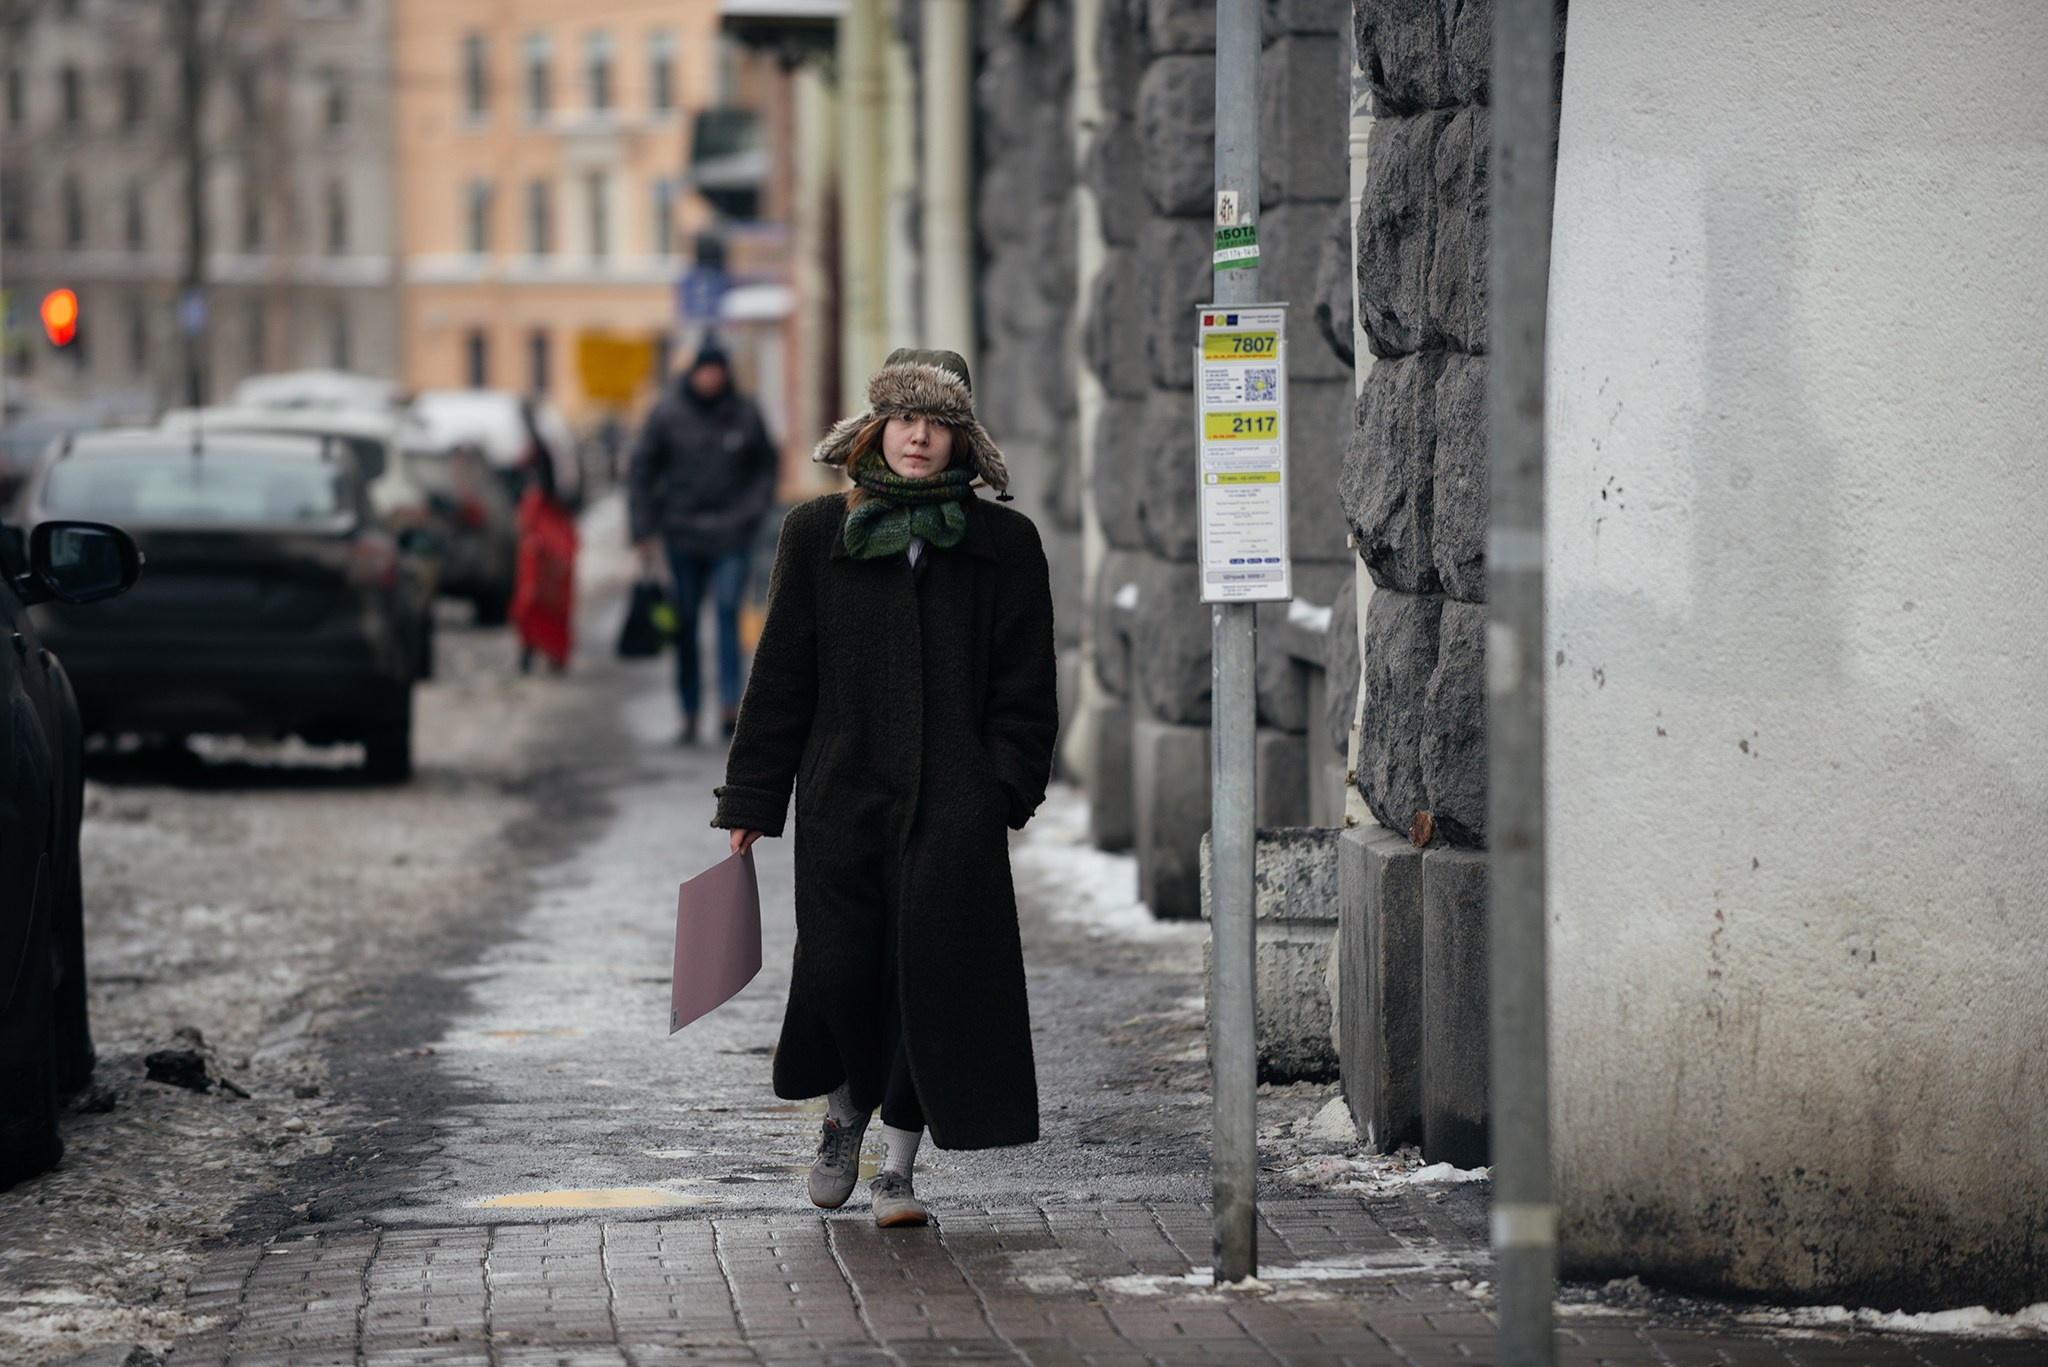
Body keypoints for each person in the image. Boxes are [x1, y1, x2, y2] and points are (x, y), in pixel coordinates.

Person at [712, 349, 1059, 1228]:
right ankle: (841, 1114)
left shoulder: (1002, 546)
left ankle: (898, 1167)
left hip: (953, 804)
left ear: (962, 438)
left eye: (937, 421)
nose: (919, 435)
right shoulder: (816, 532)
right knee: (836, 968)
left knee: (930, 976)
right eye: (905, 417)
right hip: (842, 795)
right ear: (875, 427)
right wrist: (752, 799)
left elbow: (1027, 688)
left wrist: (1000, 791)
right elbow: (780, 677)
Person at [626, 341, 779, 743]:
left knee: (728, 614)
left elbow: (766, 465)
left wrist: (752, 512)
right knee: (687, 623)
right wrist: (643, 529)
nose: (711, 378)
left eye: (717, 370)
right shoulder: (668, 412)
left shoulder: (745, 412)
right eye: (704, 370)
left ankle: (732, 707)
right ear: (693, 372)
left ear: (726, 373)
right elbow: (641, 471)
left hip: (731, 534)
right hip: (683, 534)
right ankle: (689, 710)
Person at [508, 400, 578, 674]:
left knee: (540, 591)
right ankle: (537, 647)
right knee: (538, 591)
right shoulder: (551, 447)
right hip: (549, 531)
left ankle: (539, 648)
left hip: (548, 531)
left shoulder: (547, 449)